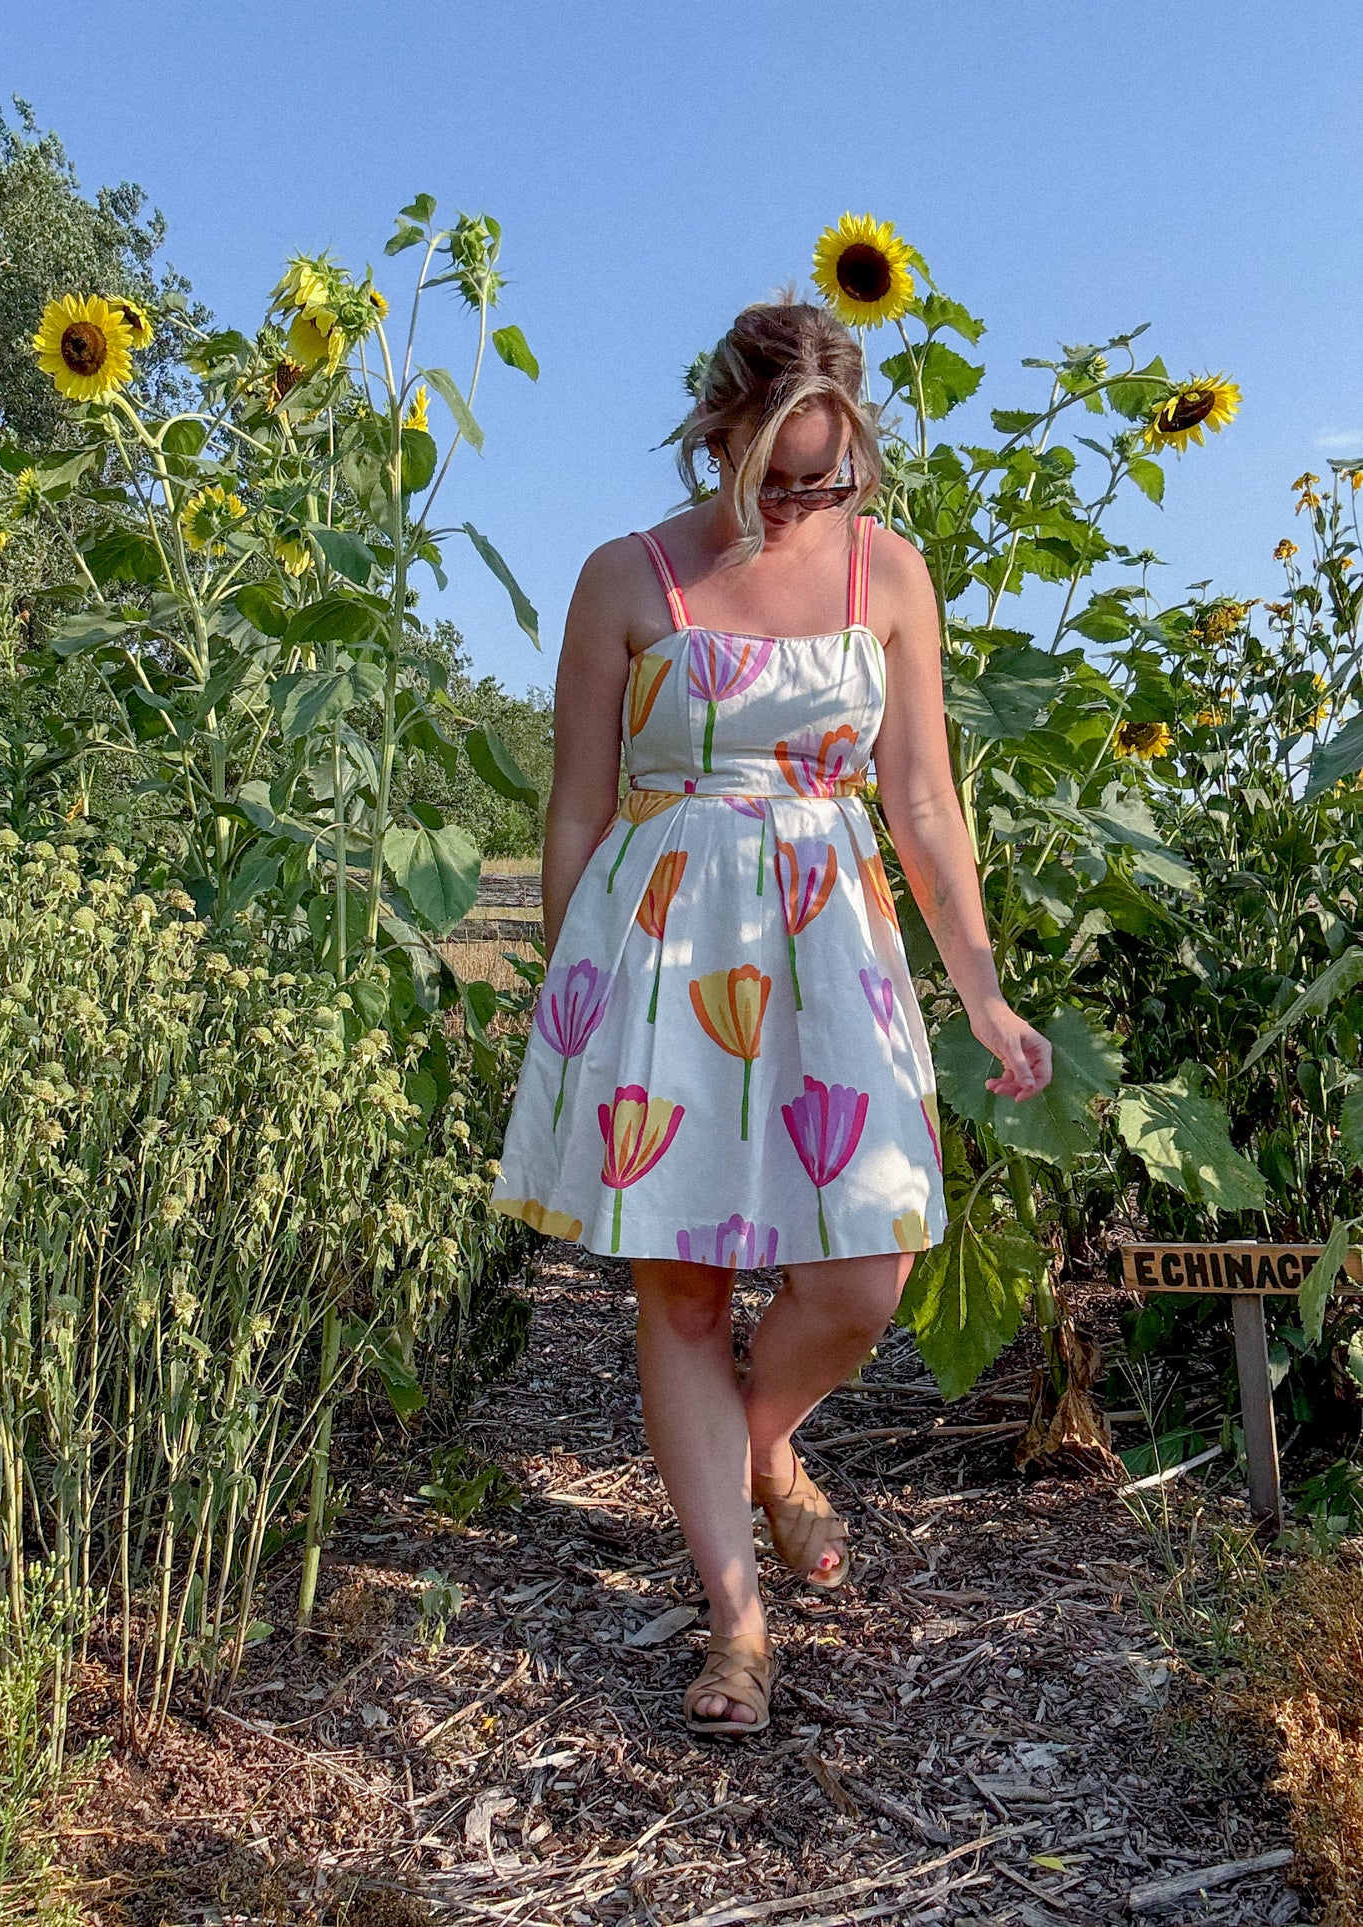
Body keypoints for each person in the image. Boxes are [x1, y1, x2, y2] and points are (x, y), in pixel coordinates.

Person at [490, 299, 1051, 1737]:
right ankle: (734, 1627)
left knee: (867, 1266)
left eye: (832, 476)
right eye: (782, 476)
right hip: (659, 951)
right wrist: (573, 994)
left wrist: (977, 984)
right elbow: (574, 807)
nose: (809, 501)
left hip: (831, 939)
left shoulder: (889, 573)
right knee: (678, 1289)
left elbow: (921, 799)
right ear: (720, 436)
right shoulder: (627, 578)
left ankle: (763, 1448)